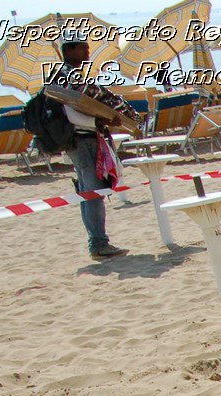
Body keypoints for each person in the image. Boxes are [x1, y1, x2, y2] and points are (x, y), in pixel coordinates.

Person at [50, 37, 130, 260]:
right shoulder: (67, 76)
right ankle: (98, 243)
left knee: (88, 192)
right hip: (83, 140)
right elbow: (72, 113)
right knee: (93, 193)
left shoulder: (65, 74)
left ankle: (97, 241)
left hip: (79, 141)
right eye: (83, 47)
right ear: (71, 50)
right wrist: (101, 122)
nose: (88, 51)